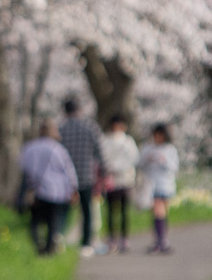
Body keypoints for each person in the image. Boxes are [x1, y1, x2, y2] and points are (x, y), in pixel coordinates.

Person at [19, 119, 78, 256]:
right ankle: (49, 250)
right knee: (53, 222)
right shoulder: (58, 149)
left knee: (34, 221)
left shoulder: (29, 147)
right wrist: (73, 189)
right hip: (56, 191)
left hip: (35, 190)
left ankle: (37, 246)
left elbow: (23, 167)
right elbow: (68, 170)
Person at [59, 97, 104, 258]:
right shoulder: (90, 127)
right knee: (86, 211)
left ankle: (58, 238)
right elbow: (100, 152)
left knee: (63, 210)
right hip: (86, 175)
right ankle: (86, 244)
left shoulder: (60, 129)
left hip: (65, 177)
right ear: (79, 110)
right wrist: (103, 173)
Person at [100, 114, 140, 253]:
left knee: (122, 211)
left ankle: (122, 239)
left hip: (121, 179)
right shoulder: (109, 140)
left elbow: (134, 158)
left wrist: (114, 167)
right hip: (115, 180)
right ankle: (114, 238)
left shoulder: (126, 141)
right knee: (113, 211)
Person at [139, 122, 179, 254]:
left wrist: (164, 161)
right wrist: (148, 159)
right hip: (151, 184)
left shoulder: (170, 149)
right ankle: (159, 241)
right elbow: (139, 163)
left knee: (162, 213)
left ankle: (162, 240)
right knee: (157, 212)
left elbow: (174, 167)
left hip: (165, 184)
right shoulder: (148, 148)